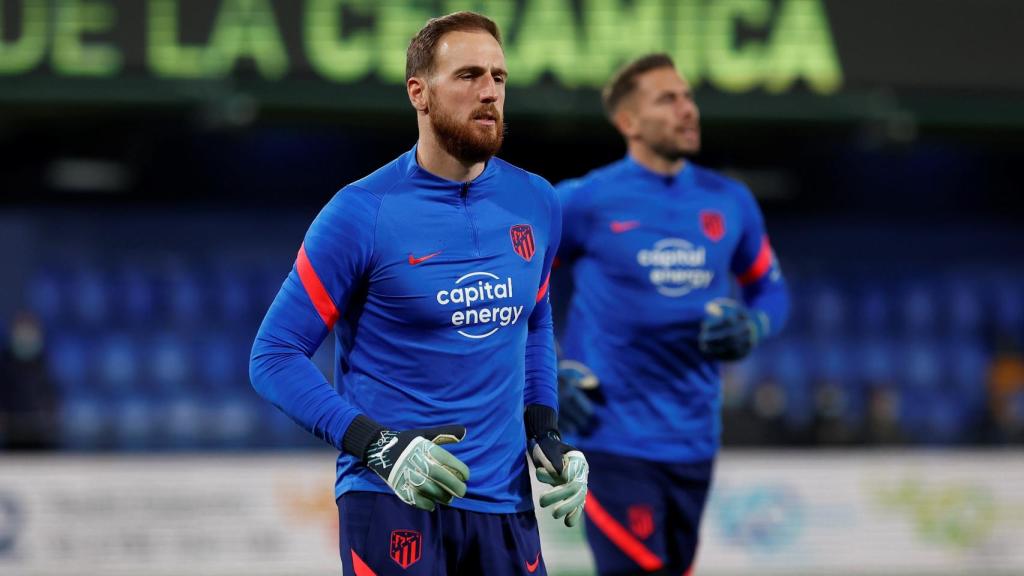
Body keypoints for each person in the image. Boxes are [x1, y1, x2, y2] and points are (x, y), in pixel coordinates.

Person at [249, 12, 587, 576]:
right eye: (469, 75)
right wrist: (379, 446)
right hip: (392, 502)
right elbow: (273, 356)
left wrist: (545, 431)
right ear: (419, 93)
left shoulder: (537, 201)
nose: (489, 93)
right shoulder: (361, 212)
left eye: (499, 79)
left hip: (506, 505)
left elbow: (533, 323)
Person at [554, 54, 790, 576]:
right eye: (668, 99)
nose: (688, 109)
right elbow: (515, 287)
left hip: (695, 441)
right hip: (611, 438)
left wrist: (754, 326)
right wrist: (545, 376)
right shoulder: (583, 201)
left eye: (687, 96)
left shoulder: (731, 201)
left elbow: (771, 294)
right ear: (629, 122)